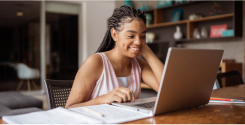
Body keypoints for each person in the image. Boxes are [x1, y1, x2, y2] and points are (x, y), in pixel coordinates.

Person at [65, 5, 164, 109]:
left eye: (143, 36)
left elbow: (167, 90)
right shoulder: (95, 62)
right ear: (114, 35)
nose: (138, 42)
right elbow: (70, 108)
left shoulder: (138, 64)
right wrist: (104, 99)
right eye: (131, 36)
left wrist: (148, 53)